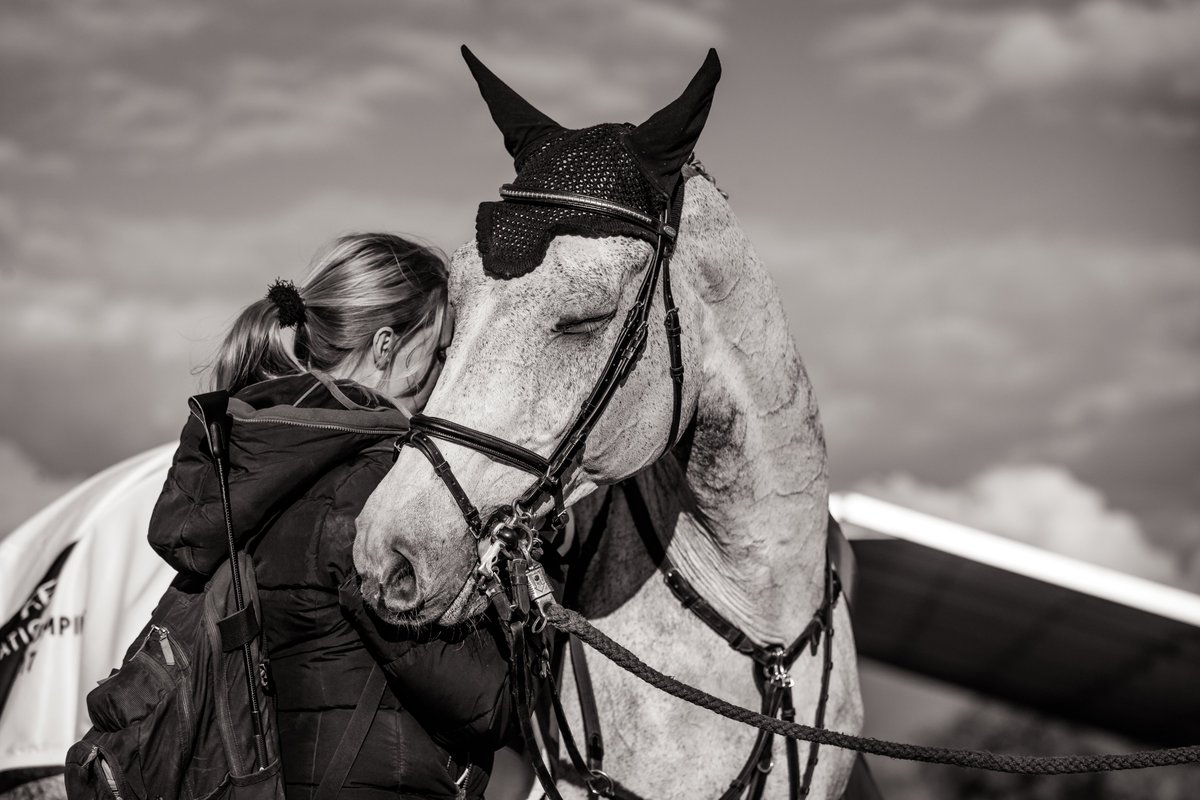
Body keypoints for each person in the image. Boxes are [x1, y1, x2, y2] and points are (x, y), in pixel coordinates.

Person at [147, 233, 511, 799]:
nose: (447, 372)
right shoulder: (374, 487)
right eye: (440, 351)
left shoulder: (262, 461)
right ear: (388, 347)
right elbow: (485, 703)